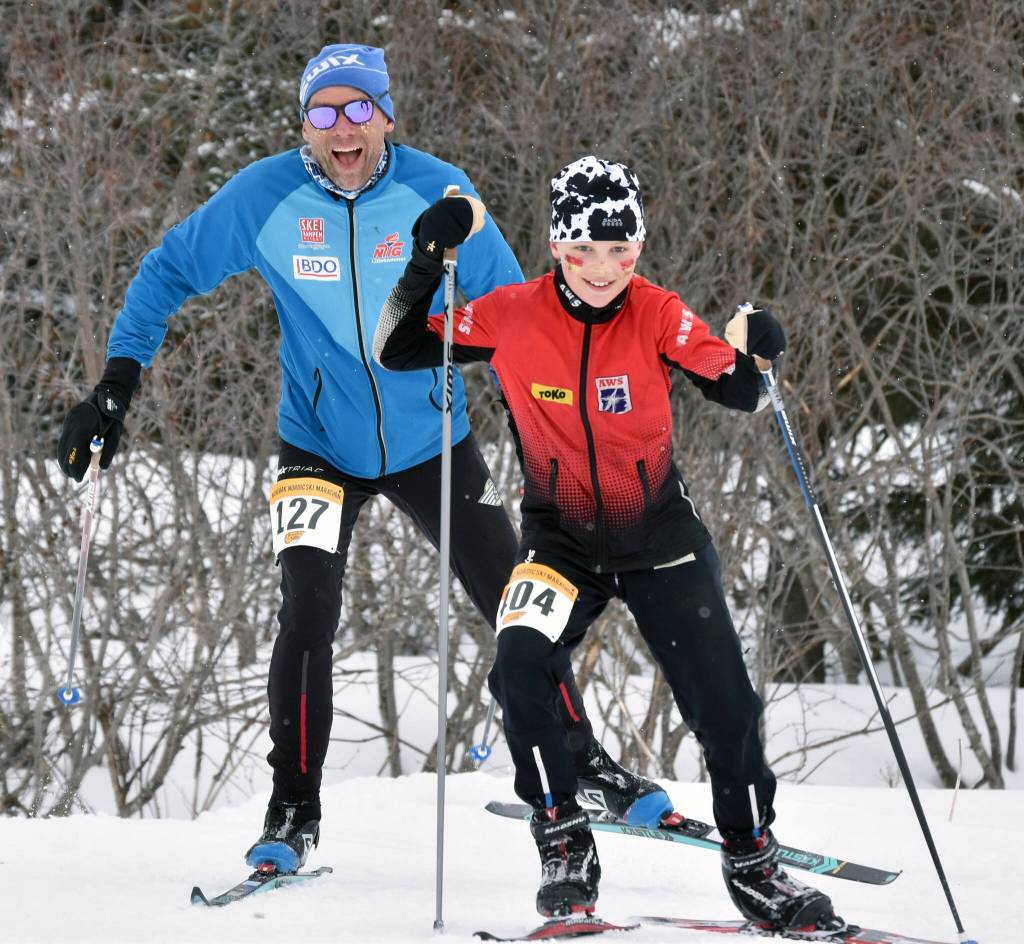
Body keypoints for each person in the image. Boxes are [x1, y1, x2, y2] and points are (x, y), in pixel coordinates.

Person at [55, 49, 669, 874]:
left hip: (432, 441)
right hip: (316, 440)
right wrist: (114, 387)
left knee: (519, 601)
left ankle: (583, 765)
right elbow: (169, 269)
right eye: (324, 113)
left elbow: (525, 317)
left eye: (358, 111)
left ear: (386, 115)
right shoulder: (265, 196)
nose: (342, 130)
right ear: (304, 121)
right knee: (307, 609)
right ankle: (293, 806)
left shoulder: (441, 194)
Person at [374, 156, 843, 932]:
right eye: (585, 251)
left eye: (621, 252)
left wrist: (759, 350)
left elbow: (741, 389)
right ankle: (563, 839)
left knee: (726, 707)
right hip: (560, 543)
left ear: (638, 252)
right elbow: (395, 342)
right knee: (519, 668)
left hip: (661, 541)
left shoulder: (658, 313)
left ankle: (754, 861)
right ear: (558, 248)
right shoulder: (511, 315)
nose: (603, 270)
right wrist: (428, 255)